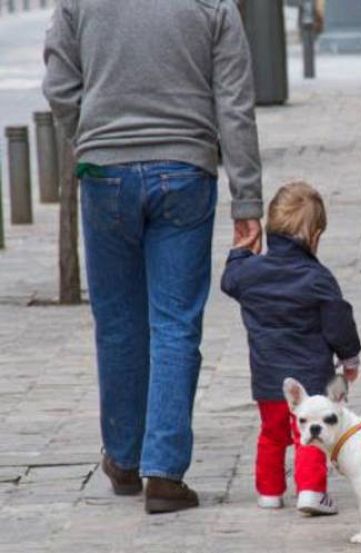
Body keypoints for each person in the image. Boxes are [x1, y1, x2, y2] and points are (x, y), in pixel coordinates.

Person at [43, 0, 263, 514]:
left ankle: (123, 458)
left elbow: (59, 86)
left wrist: (91, 135)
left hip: (105, 173)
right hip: (185, 170)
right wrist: (247, 199)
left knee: (117, 321)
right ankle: (163, 473)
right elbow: (234, 103)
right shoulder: (214, 6)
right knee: (176, 323)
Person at [221, 182, 361, 515]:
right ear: (314, 236)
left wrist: (240, 251)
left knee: (271, 434)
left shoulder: (250, 272)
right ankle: (311, 491)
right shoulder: (318, 277)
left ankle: (269, 492)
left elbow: (229, 281)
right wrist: (349, 356)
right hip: (311, 379)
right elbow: (338, 322)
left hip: (267, 377)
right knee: (310, 434)